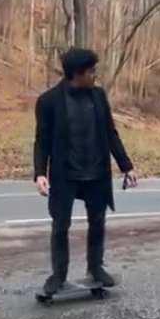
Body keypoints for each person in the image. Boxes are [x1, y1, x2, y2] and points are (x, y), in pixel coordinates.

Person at [34, 47, 137, 296]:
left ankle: (96, 268)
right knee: (61, 225)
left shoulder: (98, 96)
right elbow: (42, 140)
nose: (95, 75)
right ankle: (58, 276)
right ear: (77, 74)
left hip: (96, 173)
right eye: (91, 71)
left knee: (98, 222)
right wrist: (40, 173)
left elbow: (111, 133)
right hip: (65, 174)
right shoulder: (49, 101)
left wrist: (126, 166)